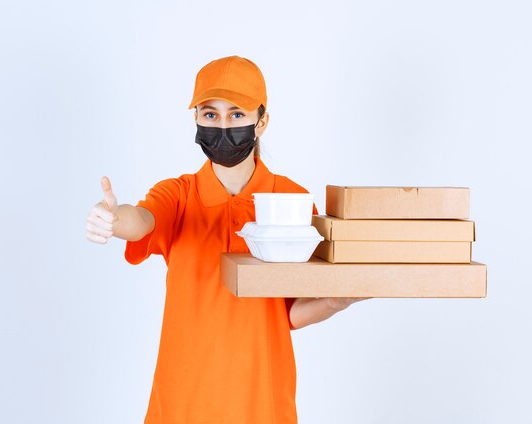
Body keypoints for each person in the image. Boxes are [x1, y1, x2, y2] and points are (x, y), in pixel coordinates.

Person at [86, 55, 366, 423]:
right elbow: (142, 221)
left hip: (262, 401)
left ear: (261, 122)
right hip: (184, 400)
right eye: (210, 114)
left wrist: (335, 300)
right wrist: (114, 217)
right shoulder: (178, 194)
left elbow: (289, 313)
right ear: (197, 120)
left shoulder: (292, 201)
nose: (222, 124)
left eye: (236, 114)